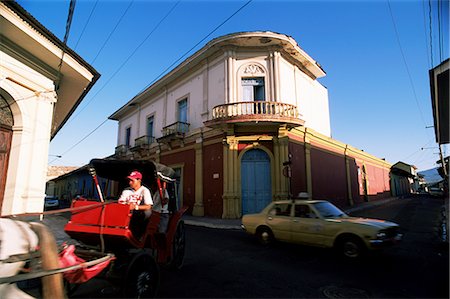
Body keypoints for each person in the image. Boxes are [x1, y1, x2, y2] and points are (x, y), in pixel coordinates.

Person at [118, 170, 153, 238]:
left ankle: (138, 236)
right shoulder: (126, 191)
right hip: (125, 212)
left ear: (139, 180)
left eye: (132, 180)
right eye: (129, 180)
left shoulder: (144, 190)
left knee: (146, 213)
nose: (130, 182)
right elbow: (120, 202)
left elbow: (148, 206)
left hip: (137, 213)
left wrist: (135, 207)